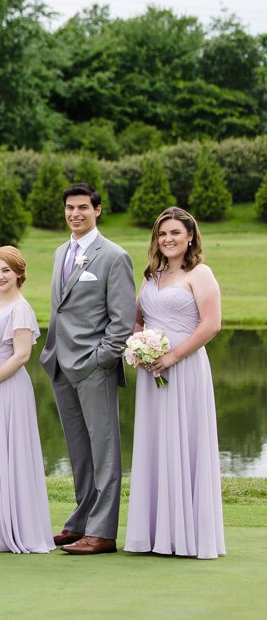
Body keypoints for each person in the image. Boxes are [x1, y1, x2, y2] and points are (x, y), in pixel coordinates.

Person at [39, 182, 135, 555]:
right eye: (69, 208)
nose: (75, 213)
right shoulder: (62, 251)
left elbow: (122, 321)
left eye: (82, 207)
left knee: (105, 451)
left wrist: (101, 359)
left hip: (94, 367)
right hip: (60, 365)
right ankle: (80, 521)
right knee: (79, 452)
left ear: (97, 210)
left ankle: (103, 532)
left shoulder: (113, 256)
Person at [125, 207, 226, 559]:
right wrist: (138, 348)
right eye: (162, 233)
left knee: (184, 440)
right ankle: (155, 532)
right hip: (152, 373)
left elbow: (211, 324)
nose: (168, 239)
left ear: (190, 237)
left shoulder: (200, 273)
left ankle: (188, 535)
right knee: (156, 442)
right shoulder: (150, 275)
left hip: (184, 368)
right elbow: (138, 320)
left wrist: (173, 356)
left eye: (175, 233)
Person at [0, 247, 53, 554]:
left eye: (6, 270)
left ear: (19, 273)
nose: (0, 276)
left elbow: (22, 355)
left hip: (8, 388)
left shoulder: (20, 308)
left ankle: (16, 527)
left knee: (11, 451)